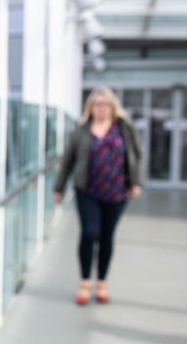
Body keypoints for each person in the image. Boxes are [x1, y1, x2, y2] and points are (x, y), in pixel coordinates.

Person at [53, 87, 143, 306]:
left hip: (117, 191)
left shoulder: (124, 129)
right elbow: (68, 160)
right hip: (88, 190)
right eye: (96, 104)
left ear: (113, 107)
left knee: (106, 236)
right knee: (89, 232)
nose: (101, 109)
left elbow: (137, 156)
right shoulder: (82, 131)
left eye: (105, 104)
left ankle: (101, 281)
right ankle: (85, 281)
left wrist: (136, 182)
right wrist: (59, 186)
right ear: (90, 108)